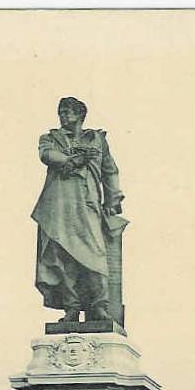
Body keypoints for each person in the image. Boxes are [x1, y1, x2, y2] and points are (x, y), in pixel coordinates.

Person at [32, 97, 127, 322]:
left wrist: (113, 199)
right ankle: (71, 307)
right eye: (61, 112)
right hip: (59, 205)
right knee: (63, 257)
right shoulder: (51, 138)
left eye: (68, 112)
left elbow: (110, 170)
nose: (63, 116)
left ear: (80, 114)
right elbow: (46, 154)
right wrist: (73, 160)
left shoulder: (96, 139)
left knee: (95, 254)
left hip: (88, 203)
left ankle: (100, 306)